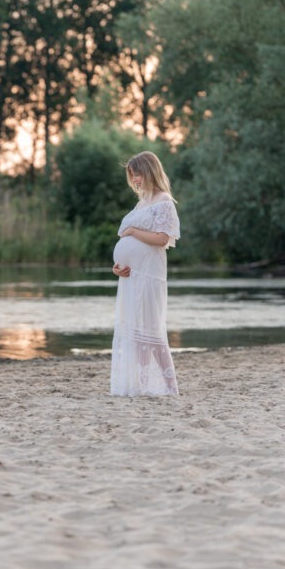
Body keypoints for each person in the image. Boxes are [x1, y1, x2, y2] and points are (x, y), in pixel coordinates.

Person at [110, 151, 180, 396]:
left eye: (137, 174)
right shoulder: (141, 203)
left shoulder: (164, 201)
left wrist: (132, 232)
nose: (135, 181)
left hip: (150, 275)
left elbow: (162, 238)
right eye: (132, 176)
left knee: (153, 331)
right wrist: (118, 267)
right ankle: (141, 384)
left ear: (149, 171)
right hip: (131, 277)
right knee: (137, 332)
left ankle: (170, 388)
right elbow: (125, 241)